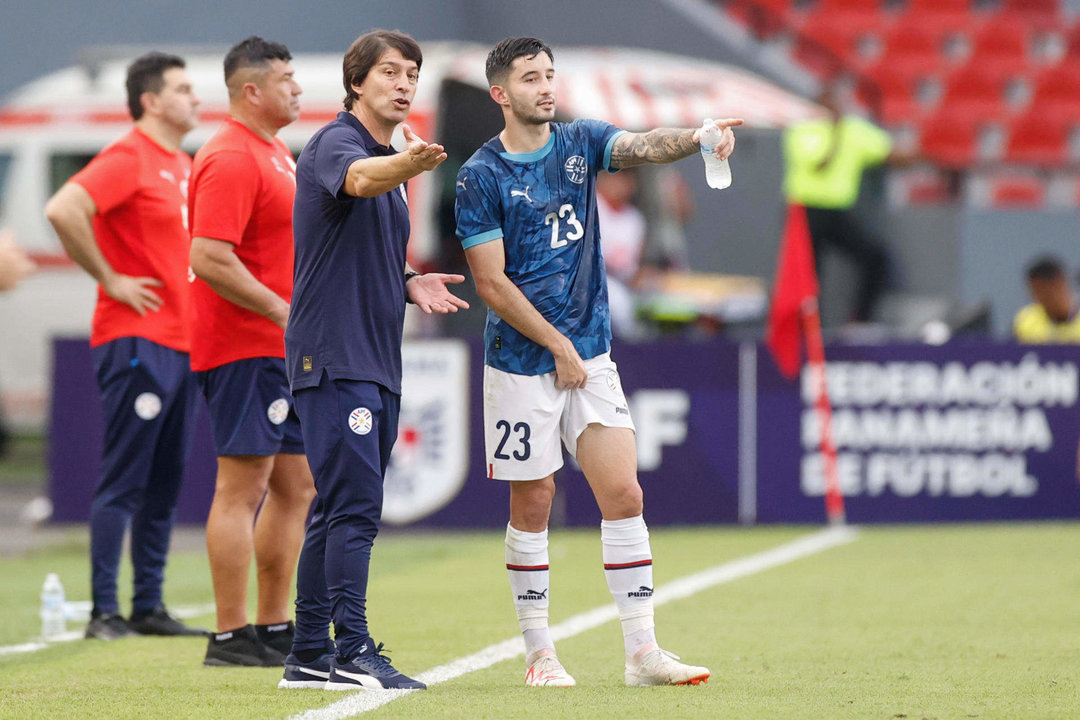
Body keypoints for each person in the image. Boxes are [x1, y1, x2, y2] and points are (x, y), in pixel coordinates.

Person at [455, 37, 735, 688]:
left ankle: (643, 653)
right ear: (502, 94)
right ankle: (539, 655)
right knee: (535, 503)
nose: (546, 86)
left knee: (625, 493)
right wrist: (557, 347)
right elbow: (491, 285)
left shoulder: (580, 143)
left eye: (550, 75)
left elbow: (639, 145)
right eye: (530, 78)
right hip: (522, 364)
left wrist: (698, 137)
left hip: (591, 353)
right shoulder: (482, 174)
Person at [278, 30, 469, 691]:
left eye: (412, 73)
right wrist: (411, 166)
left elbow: (360, 245)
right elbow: (357, 181)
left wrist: (410, 278)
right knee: (355, 508)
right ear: (356, 81)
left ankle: (306, 654)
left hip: (372, 359)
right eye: (389, 71)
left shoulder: (391, 165)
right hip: (336, 359)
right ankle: (353, 650)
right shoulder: (341, 144)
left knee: (336, 508)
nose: (404, 83)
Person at [44, 52, 205, 640]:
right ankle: (103, 611)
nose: (195, 98)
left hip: (184, 343)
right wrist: (109, 277)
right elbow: (64, 208)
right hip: (137, 339)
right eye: (184, 89)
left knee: (166, 479)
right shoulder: (127, 157)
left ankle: (148, 605)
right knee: (125, 477)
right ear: (151, 101)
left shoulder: (183, 164)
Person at [188, 37, 315, 667]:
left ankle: (272, 626)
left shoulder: (274, 152)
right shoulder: (231, 155)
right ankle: (230, 634)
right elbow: (208, 256)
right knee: (243, 485)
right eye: (288, 79)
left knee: (298, 486)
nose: (298, 89)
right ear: (252, 90)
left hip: (280, 349)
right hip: (245, 346)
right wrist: (279, 309)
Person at [782, 84, 909, 324]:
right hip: (804, 210)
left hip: (837, 211)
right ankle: (806, 330)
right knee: (806, 274)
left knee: (875, 256)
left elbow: (890, 153)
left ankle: (859, 321)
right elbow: (820, 164)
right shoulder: (803, 129)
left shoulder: (853, 129)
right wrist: (837, 133)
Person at [596, 169, 647, 337]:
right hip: (590, 279)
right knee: (616, 301)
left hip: (622, 282)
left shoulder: (635, 219)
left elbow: (632, 269)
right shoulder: (590, 206)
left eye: (626, 178)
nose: (620, 184)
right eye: (616, 177)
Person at [1013, 256, 1080, 343]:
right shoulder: (1025, 320)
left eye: (1045, 291)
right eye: (1035, 292)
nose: (1038, 297)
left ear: (1062, 283)